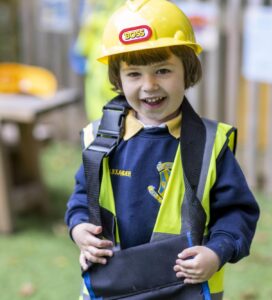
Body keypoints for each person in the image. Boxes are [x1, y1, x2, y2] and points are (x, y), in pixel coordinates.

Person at [65, 0, 260, 299]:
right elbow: (81, 200)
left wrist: (216, 252)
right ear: (117, 78)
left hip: (188, 288)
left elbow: (237, 213)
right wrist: (80, 230)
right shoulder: (98, 141)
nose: (149, 85)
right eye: (134, 74)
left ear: (188, 70)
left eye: (163, 70)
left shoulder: (211, 144)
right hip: (112, 285)